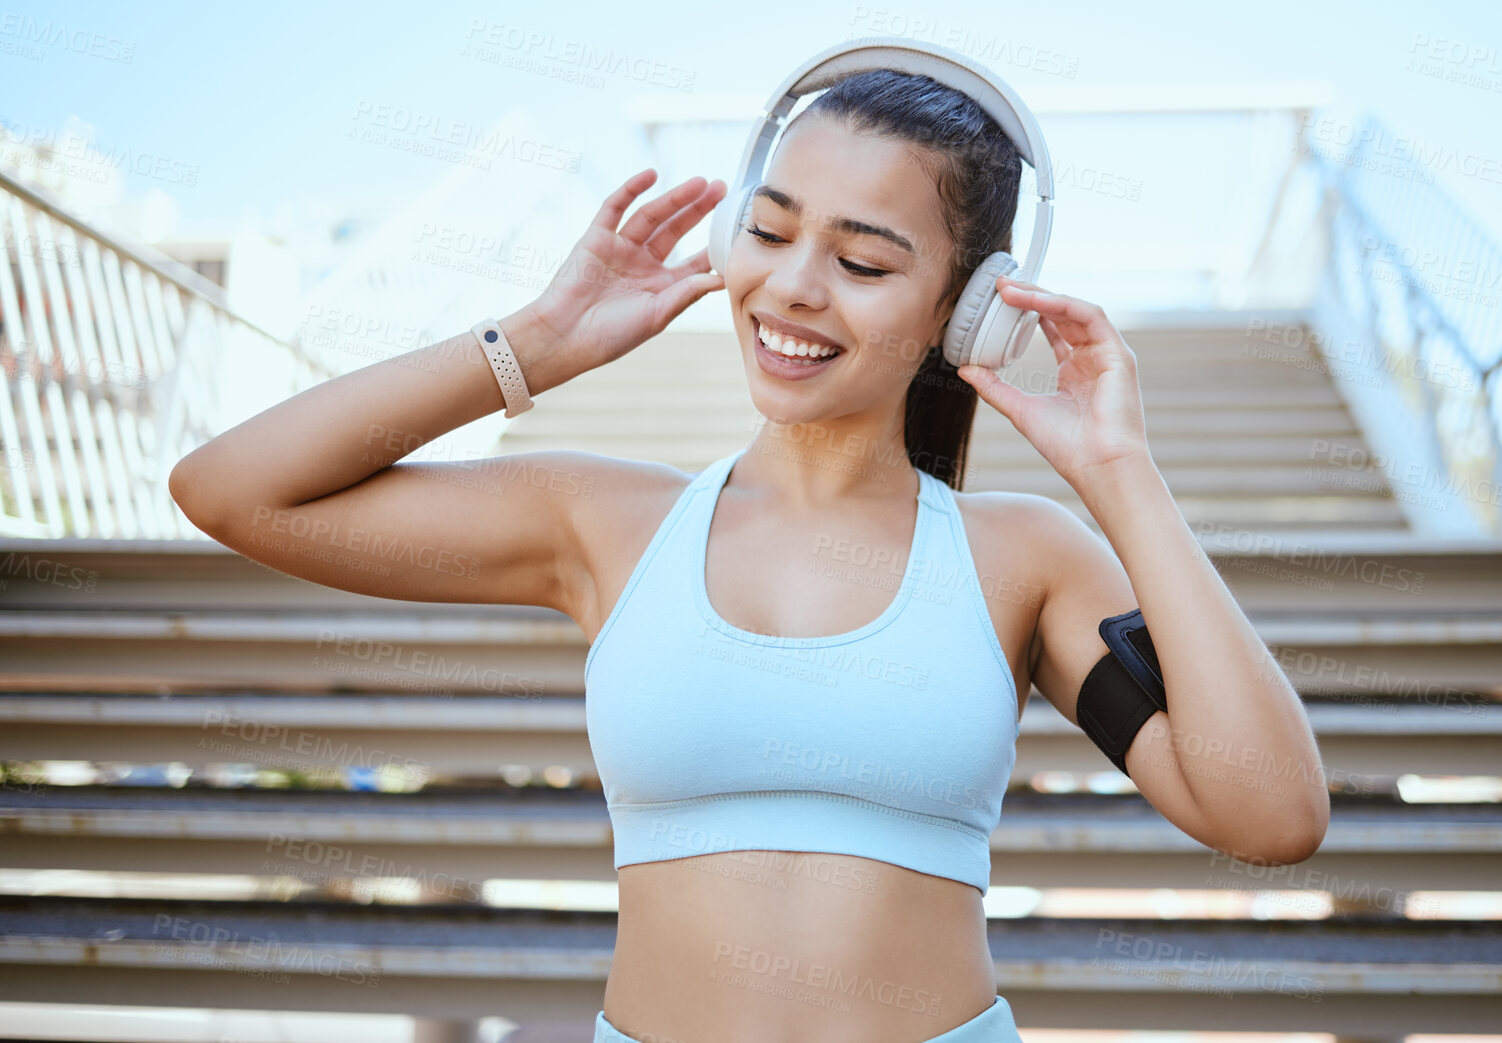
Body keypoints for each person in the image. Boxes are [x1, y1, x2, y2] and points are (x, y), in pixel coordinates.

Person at [169, 66, 1328, 1043]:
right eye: (769, 232)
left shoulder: (1023, 556)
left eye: (863, 263)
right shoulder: (603, 523)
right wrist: (534, 345)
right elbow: (231, 491)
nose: (791, 286)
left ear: (966, 313)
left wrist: (1120, 475)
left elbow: (1270, 815)